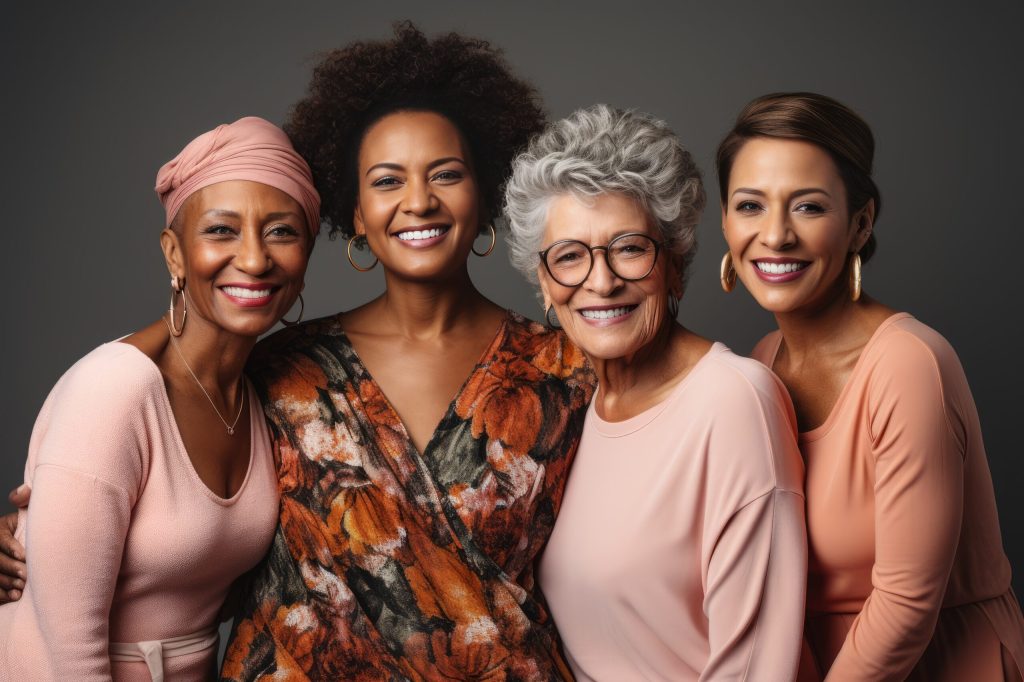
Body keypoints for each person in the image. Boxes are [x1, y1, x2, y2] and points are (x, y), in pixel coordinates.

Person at [213, 25, 593, 680]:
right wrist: (48, 538)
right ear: (356, 212)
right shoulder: (280, 371)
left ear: (485, 195)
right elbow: (187, 518)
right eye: (387, 181)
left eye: (446, 174)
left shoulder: (565, 370)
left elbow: (635, 546)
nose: (419, 201)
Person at [717, 91, 1024, 681]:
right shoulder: (761, 364)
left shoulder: (909, 364)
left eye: (808, 207)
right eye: (750, 206)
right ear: (726, 223)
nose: (775, 236)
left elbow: (906, 606)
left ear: (860, 222)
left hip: (940, 664)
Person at [0, 117, 320, 680]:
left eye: (281, 232)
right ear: (174, 254)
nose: (254, 259)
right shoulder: (113, 389)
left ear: (306, 255)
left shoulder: (259, 395)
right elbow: (66, 650)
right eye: (221, 231)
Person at [504, 104, 808, 681]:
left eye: (629, 248)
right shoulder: (568, 410)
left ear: (673, 266)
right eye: (569, 256)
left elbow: (756, 668)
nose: (601, 281)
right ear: (544, 284)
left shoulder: (733, 401)